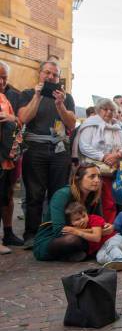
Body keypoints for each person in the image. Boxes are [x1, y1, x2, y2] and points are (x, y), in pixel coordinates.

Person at [18, 60, 76, 244]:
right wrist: (37, 96)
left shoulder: (66, 98)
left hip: (59, 151)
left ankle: (54, 232)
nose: (51, 77)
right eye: (47, 73)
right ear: (40, 73)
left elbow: (71, 124)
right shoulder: (27, 93)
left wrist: (60, 105)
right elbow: (23, 118)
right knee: (34, 194)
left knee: (58, 194)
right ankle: (32, 235)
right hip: (35, 149)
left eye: (55, 74)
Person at [33, 163, 110, 261]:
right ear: (78, 178)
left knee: (111, 234)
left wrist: (107, 227)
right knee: (72, 240)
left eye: (99, 177)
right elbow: (60, 231)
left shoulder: (94, 196)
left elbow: (100, 222)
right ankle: (70, 254)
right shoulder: (62, 194)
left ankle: (73, 254)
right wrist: (94, 232)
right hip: (52, 239)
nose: (97, 180)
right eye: (92, 176)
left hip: (83, 235)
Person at [74, 98, 122, 223]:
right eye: (105, 109)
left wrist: (118, 154)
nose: (109, 112)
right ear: (99, 110)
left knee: (110, 200)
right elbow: (84, 146)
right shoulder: (90, 124)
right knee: (92, 199)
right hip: (92, 169)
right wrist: (103, 157)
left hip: (112, 169)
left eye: (112, 109)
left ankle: (108, 226)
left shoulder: (117, 127)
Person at [0, 61, 22, 251]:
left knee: (6, 194)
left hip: (7, 156)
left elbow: (20, 120)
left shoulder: (11, 96)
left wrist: (12, 119)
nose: (1, 82)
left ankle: (7, 233)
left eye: (4, 78)